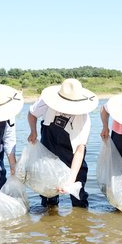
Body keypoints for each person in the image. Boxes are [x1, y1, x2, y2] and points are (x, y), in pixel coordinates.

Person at [27, 78, 99, 207]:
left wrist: (70, 182)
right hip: (48, 150)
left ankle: (79, 220)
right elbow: (32, 113)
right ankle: (50, 212)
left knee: (78, 191)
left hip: (72, 153)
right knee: (48, 192)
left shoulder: (83, 118)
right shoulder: (47, 102)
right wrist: (33, 131)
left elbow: (79, 151)